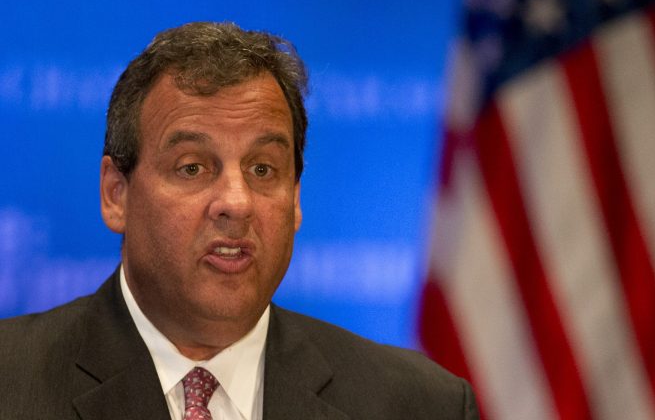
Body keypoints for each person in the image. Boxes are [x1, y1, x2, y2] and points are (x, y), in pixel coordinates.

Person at [0, 22, 478, 419]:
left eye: (263, 169)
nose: (237, 202)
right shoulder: (13, 385)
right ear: (116, 194)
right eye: (193, 168)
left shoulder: (418, 404)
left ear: (295, 199)